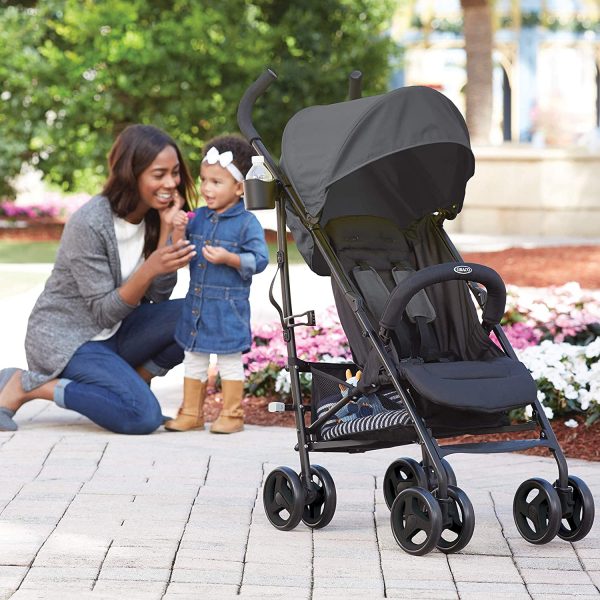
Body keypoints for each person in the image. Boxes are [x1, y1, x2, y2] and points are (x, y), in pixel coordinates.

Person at [0, 124, 197, 434]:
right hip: (68, 339)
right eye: (159, 174)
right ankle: (27, 385)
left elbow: (157, 298)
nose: (171, 183)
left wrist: (167, 235)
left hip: (117, 334)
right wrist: (150, 268)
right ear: (131, 174)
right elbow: (104, 312)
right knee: (142, 417)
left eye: (175, 173)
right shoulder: (90, 222)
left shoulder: (156, 216)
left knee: (201, 313)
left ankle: (134, 383)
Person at [165, 135, 269, 434]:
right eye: (204, 180)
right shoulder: (197, 217)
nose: (207, 188)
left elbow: (259, 259)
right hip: (197, 306)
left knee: (229, 361)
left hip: (228, 309)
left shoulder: (247, 223)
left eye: (216, 182)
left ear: (239, 187)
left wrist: (230, 258)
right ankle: (191, 412)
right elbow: (178, 254)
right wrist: (177, 231)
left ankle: (232, 414)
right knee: (193, 358)